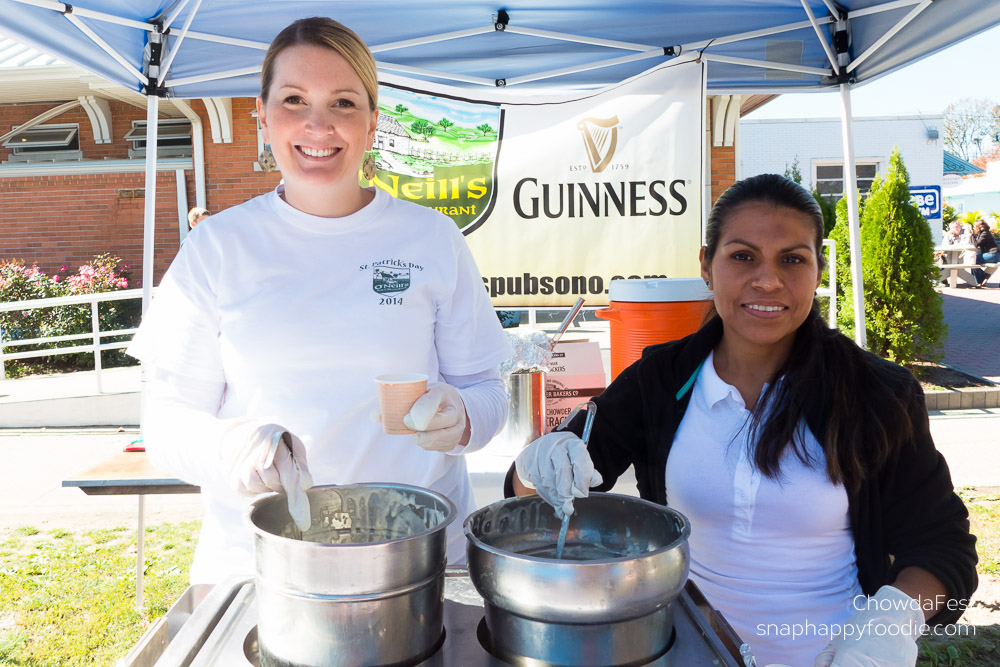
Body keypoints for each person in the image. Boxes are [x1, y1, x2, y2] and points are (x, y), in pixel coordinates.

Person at [508, 174, 977, 667]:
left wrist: (891, 623)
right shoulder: (660, 380)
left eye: (793, 259)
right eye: (743, 256)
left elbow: (943, 546)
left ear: (818, 269)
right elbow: (532, 492)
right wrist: (537, 463)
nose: (768, 280)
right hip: (685, 651)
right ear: (707, 266)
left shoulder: (876, 392)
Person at [128, 17, 511, 583]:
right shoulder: (217, 246)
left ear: (373, 122)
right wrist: (230, 448)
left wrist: (463, 417)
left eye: (343, 103)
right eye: (293, 99)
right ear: (261, 115)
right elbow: (164, 423)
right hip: (263, 564)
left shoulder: (431, 238)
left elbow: (487, 389)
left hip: (420, 558)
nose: (318, 124)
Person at [971, 218, 999, 287]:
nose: (973, 229)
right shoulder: (984, 233)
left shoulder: (985, 234)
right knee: (974, 260)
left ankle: (979, 281)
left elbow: (976, 244)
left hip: (993, 254)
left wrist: (971, 234)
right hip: (993, 254)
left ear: (979, 228)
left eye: (974, 227)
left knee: (973, 260)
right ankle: (982, 277)